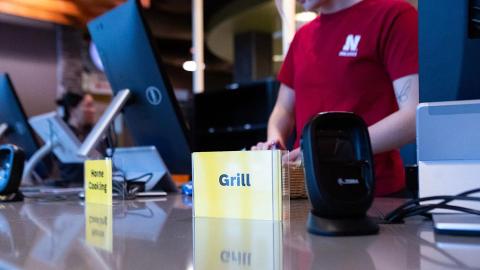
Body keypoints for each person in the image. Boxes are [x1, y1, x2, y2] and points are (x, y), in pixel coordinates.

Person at [253, 0, 419, 196]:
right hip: (306, 190)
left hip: (371, 192)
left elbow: (413, 117)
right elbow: (283, 109)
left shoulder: (393, 15)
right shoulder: (302, 38)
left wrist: (324, 150)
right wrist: (274, 142)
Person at [55, 92, 97, 185]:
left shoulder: (96, 133)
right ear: (72, 110)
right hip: (70, 187)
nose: (93, 110)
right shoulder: (61, 135)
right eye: (88, 106)